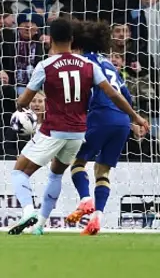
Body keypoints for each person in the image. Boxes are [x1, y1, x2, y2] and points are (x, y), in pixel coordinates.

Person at [8, 18, 149, 236]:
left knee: (20, 172)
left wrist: (23, 110)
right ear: (72, 38)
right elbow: (115, 93)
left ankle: (29, 211)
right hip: (81, 131)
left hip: (56, 129)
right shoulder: (90, 65)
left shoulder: (46, 65)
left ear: (51, 39)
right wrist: (135, 117)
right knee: (60, 173)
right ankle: (40, 226)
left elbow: (23, 101)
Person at [65, 21, 140, 235]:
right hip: (122, 122)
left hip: (99, 117)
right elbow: (127, 97)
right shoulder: (109, 64)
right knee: (102, 170)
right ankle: (97, 217)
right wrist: (134, 119)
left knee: (78, 162)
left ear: (77, 42)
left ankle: (85, 200)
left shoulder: (81, 63)